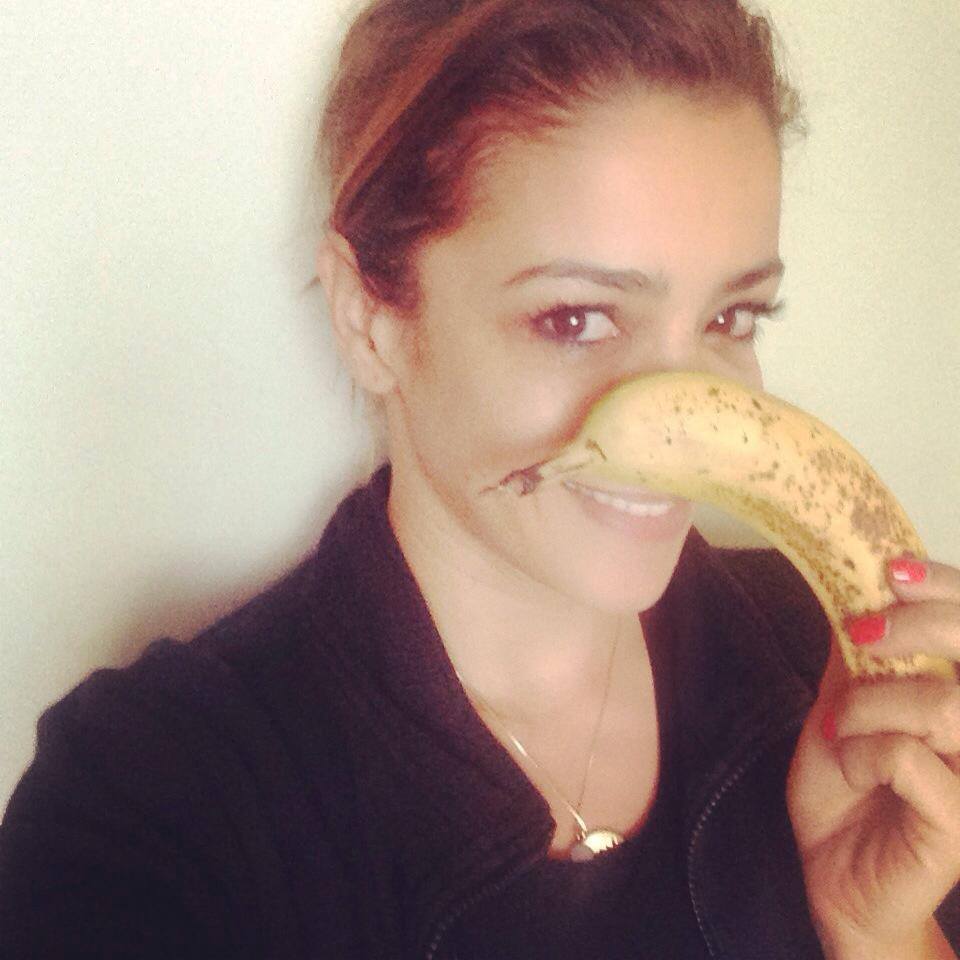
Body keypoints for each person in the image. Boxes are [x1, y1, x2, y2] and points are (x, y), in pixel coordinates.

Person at [1, 0, 959, 957]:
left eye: (731, 318)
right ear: (370, 320)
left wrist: (876, 930)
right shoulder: (147, 805)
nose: (685, 423)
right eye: (574, 318)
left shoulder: (831, 668)